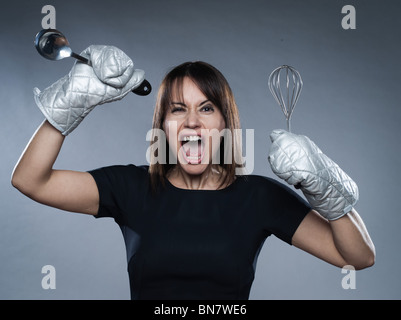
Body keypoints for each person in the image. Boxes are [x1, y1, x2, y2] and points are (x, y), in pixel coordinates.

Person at [11, 45, 375, 300]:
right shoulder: (130, 188)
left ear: (224, 123)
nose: (192, 122)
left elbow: (358, 257)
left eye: (206, 108)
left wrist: (328, 189)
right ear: (164, 125)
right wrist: (71, 102)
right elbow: (30, 180)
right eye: (177, 109)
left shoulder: (260, 197)